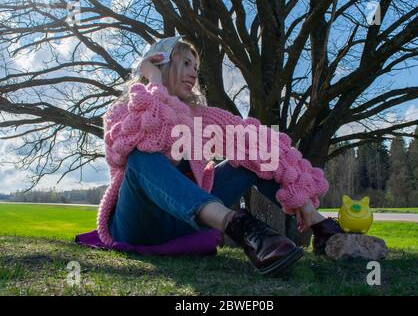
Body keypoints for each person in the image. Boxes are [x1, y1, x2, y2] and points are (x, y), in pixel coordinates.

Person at [98, 35, 344, 277]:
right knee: (142, 156)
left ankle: (321, 229)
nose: (194, 74)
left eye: (195, 67)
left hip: (181, 222)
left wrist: (305, 204)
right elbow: (150, 133)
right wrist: (154, 81)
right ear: (161, 64)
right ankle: (240, 227)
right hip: (136, 222)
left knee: (254, 154)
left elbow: (259, 143)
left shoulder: (202, 118)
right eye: (185, 64)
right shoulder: (121, 111)